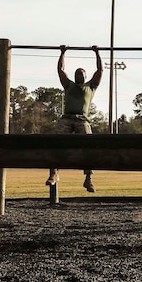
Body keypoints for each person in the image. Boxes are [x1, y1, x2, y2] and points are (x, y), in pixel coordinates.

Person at [48, 46, 103, 192]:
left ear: (85, 76)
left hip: (82, 120)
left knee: (88, 145)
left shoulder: (91, 87)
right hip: (67, 118)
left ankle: (88, 179)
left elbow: (100, 71)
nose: (79, 75)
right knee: (56, 142)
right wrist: (62, 53)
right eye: (77, 74)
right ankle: (54, 172)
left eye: (82, 73)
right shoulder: (69, 85)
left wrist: (97, 53)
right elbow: (60, 70)